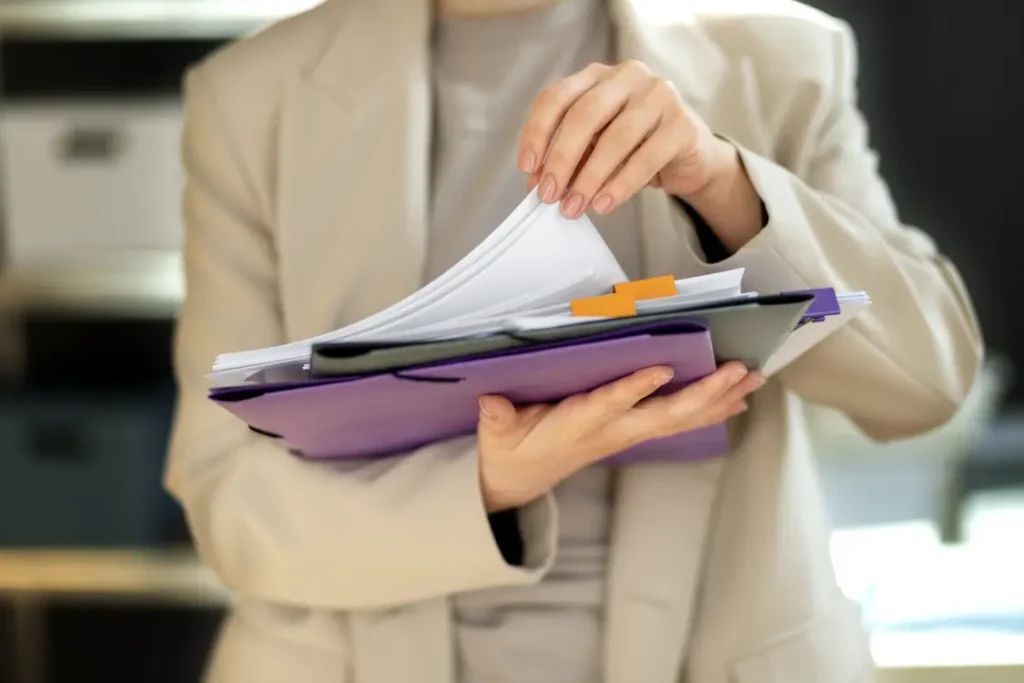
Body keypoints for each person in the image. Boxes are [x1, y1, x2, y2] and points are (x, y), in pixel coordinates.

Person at [166, 0, 983, 681]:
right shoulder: (250, 99)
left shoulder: (780, 56)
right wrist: (488, 481)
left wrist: (721, 182)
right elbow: (229, 501)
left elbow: (926, 386)